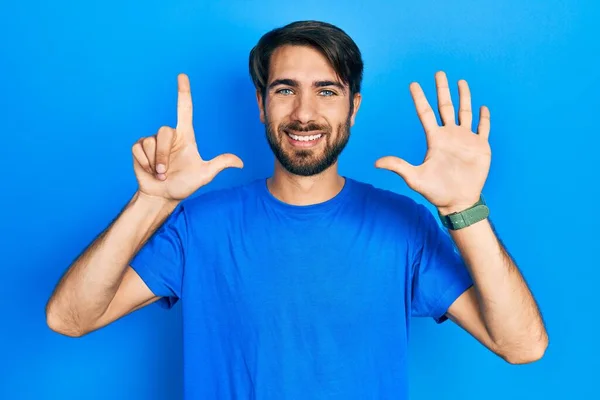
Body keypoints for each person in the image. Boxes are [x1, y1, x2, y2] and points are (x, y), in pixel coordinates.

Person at [46, 20, 548, 399]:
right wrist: (152, 201)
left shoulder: (404, 226)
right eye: (285, 90)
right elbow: (70, 318)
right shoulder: (199, 225)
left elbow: (522, 346)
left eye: (326, 91)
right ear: (261, 104)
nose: (304, 113)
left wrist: (465, 207)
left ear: (352, 106)